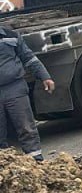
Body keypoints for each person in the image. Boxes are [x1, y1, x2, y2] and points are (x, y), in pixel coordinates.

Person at [0, 25, 54, 161]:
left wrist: (44, 76)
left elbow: (29, 58)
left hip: (14, 87)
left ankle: (37, 161)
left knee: (26, 127)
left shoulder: (10, 35)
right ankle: (4, 165)